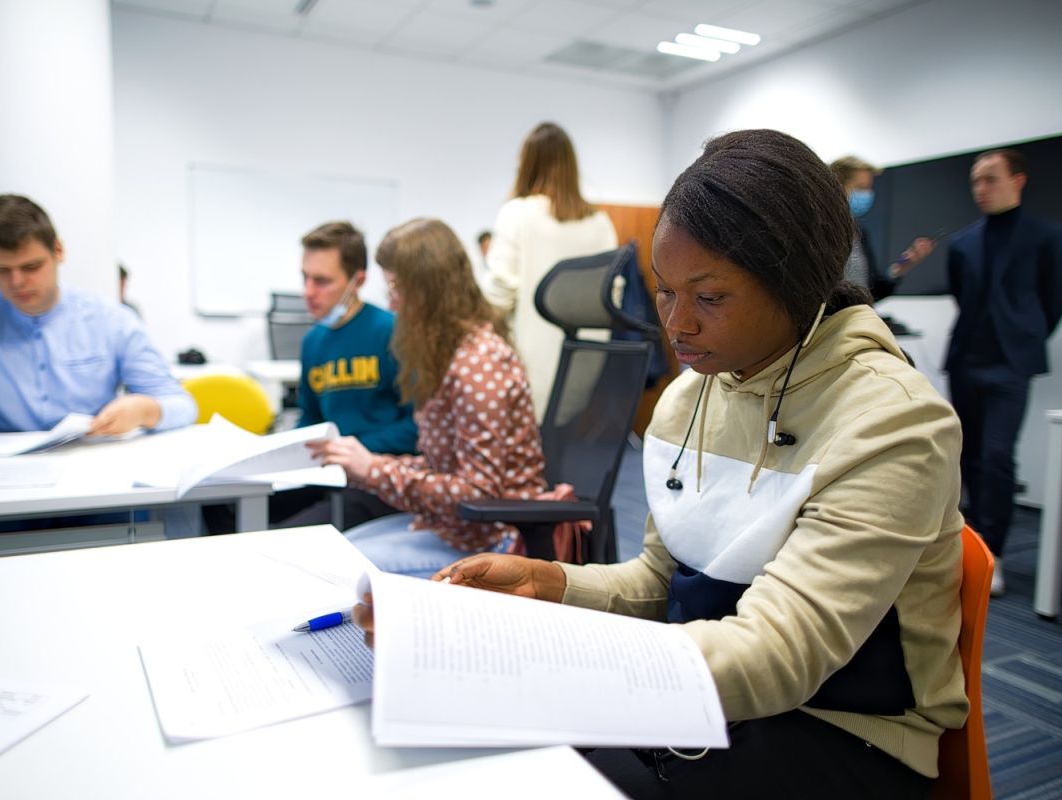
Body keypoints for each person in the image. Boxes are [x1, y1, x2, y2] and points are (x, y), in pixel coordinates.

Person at [356, 130, 967, 798]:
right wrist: (547, 584)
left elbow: (780, 657)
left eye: (709, 298)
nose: (677, 326)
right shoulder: (686, 400)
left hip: (842, 732)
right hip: (706, 691)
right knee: (491, 765)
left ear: (796, 283)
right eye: (664, 292)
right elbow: (663, 583)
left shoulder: (892, 420)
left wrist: (538, 653)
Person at [308, 218, 546, 578]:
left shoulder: (478, 364)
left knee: (333, 568)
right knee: (336, 548)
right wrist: (367, 466)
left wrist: (374, 469)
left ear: (426, 291)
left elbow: (478, 493)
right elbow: (442, 466)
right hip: (453, 528)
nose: (391, 304)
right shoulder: (451, 353)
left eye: (395, 289)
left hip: (489, 540)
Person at [0, 194, 196, 447]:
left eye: (30, 267)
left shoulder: (112, 320)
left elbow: (182, 405)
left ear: (58, 251)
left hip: (93, 473)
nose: (16, 282)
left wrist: (145, 410)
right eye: (0, 270)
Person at [945, 148, 1062, 595]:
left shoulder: (1048, 238)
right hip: (967, 360)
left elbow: (1054, 299)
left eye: (990, 179)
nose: (981, 188)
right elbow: (963, 296)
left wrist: (1024, 338)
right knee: (966, 456)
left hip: (1009, 365)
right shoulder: (963, 243)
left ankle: (992, 553)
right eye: (976, 181)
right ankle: (965, 544)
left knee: (997, 458)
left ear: (1017, 180)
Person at [267, 221, 418, 530]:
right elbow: (310, 418)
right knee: (227, 511)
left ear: (357, 280)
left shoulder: (393, 332)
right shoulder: (313, 341)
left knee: (286, 535)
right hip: (326, 471)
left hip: (379, 478)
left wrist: (349, 447)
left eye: (322, 281)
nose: (308, 292)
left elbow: (419, 427)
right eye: (305, 278)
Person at [482, 121, 617, 420]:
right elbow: (613, 299)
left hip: (529, 372)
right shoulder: (601, 222)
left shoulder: (516, 213)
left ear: (526, 164)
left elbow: (498, 297)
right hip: (585, 370)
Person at [829, 155, 935, 301]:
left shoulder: (859, 233)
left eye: (869, 189)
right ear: (838, 185)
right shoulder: (820, 232)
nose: (867, 195)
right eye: (861, 188)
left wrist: (902, 266)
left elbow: (874, 291)